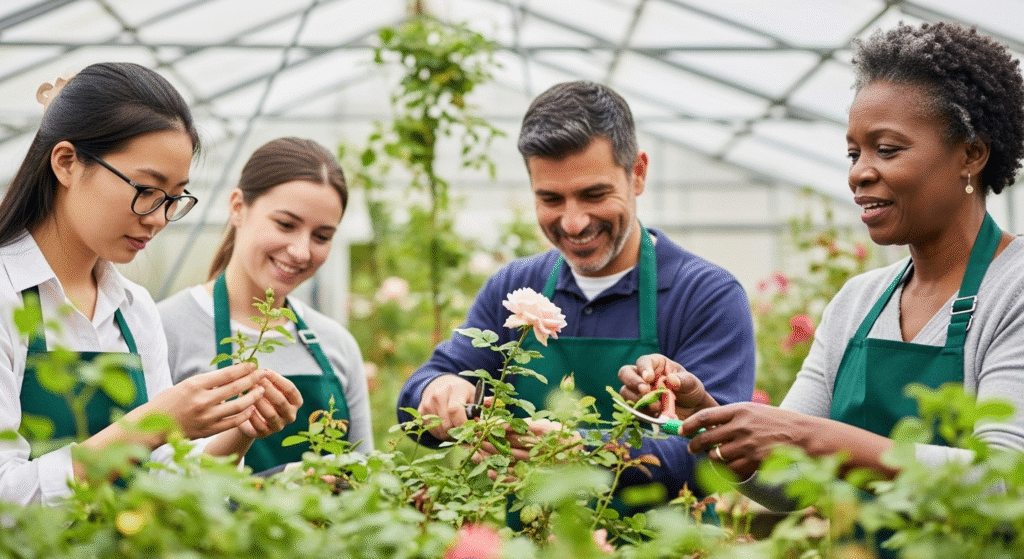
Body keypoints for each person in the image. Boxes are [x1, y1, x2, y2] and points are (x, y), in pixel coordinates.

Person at [620, 21, 1024, 501]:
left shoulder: (1013, 288)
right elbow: (786, 484)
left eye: (887, 150)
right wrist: (704, 415)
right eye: (854, 153)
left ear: (972, 154)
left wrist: (815, 439)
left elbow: (1003, 482)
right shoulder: (858, 302)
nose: (858, 173)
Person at [397, 81, 756, 499]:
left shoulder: (704, 295)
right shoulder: (514, 288)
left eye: (594, 194)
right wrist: (438, 392)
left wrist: (587, 455)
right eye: (550, 199)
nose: (572, 222)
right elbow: (422, 387)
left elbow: (711, 449)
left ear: (637, 173)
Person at [0, 63, 303, 505]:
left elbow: (164, 482)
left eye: (175, 197)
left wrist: (239, 431)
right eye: (146, 189)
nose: (159, 217)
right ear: (66, 163)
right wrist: (154, 423)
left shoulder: (133, 308)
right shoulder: (7, 294)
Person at [159, 137, 372, 472]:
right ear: (238, 208)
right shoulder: (164, 329)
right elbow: (143, 482)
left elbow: (363, 479)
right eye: (285, 225)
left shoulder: (336, 344)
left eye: (322, 236)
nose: (301, 251)